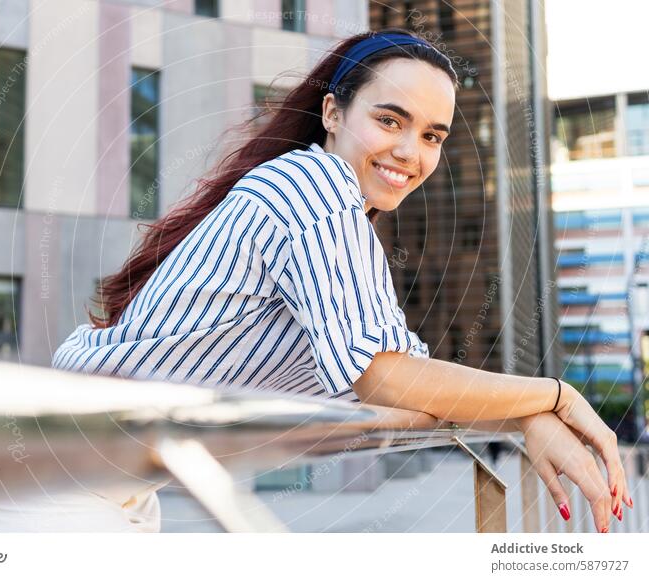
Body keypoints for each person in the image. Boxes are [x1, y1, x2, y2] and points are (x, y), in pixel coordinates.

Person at [50, 29, 632, 533]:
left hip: (108, 477)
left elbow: (413, 382)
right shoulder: (313, 187)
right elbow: (382, 374)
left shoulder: (342, 221)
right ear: (333, 114)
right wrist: (553, 396)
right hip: (64, 472)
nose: (410, 151)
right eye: (389, 119)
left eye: (433, 135)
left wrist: (528, 418)